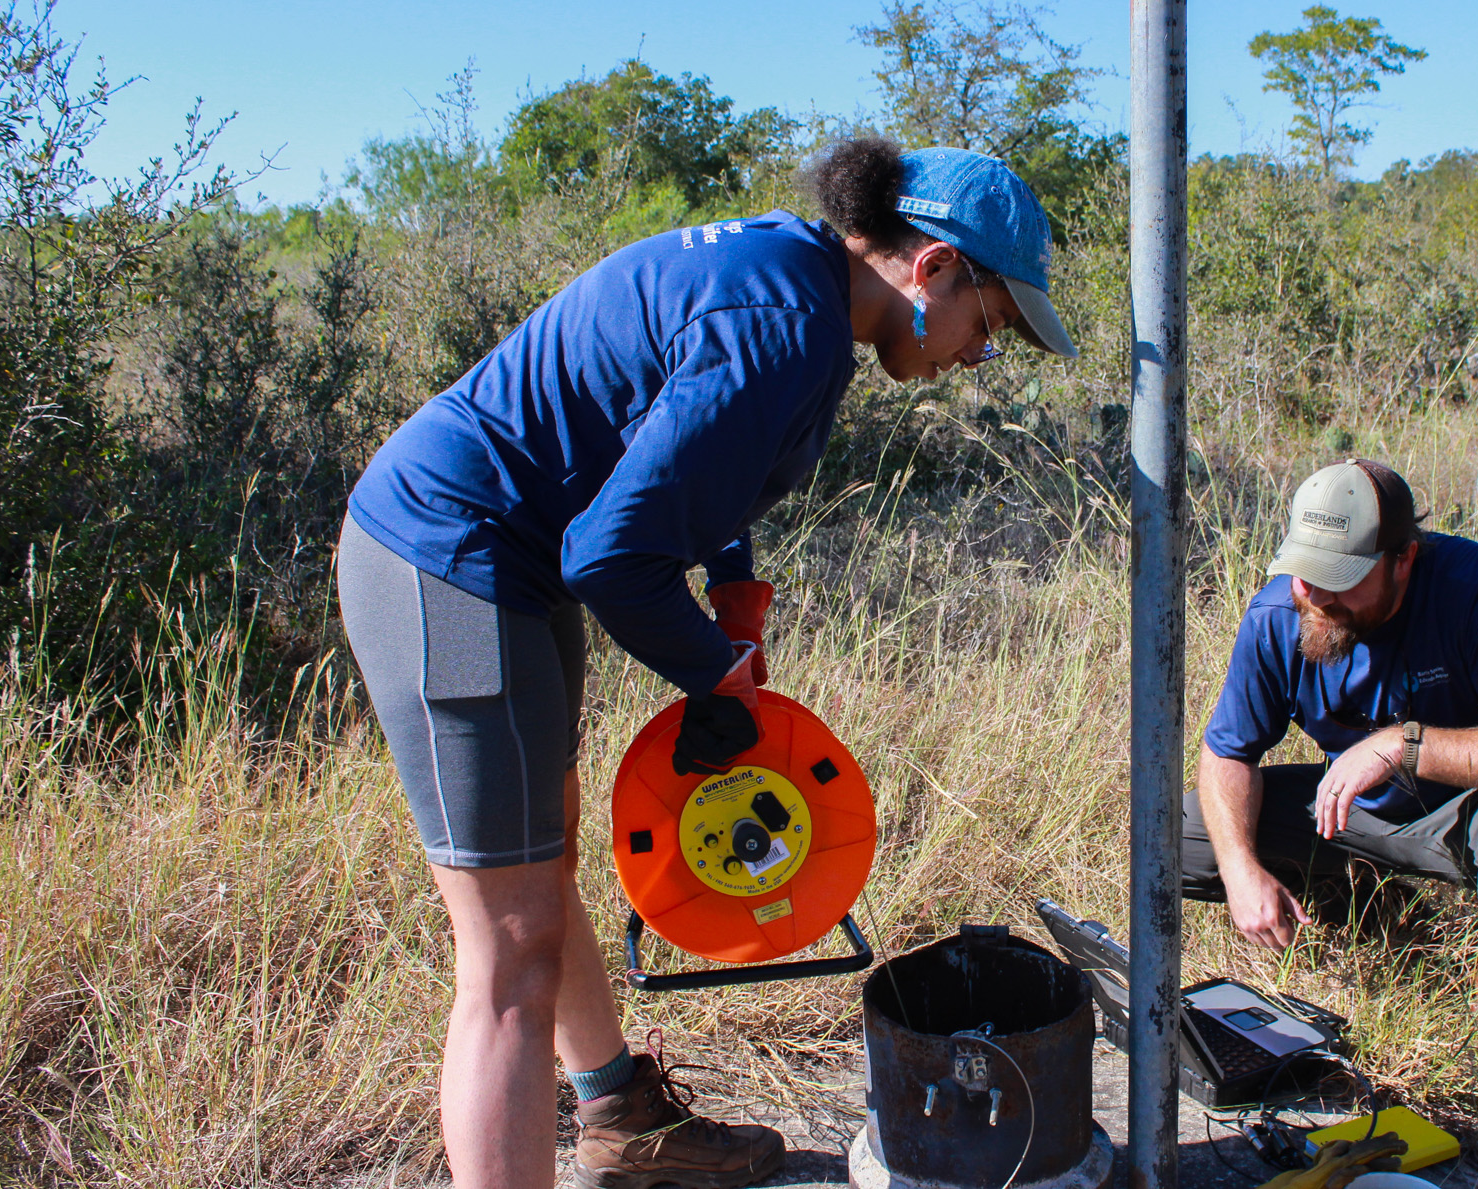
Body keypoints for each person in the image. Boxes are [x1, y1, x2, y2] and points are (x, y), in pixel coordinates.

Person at [336, 137, 1076, 1189]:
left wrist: (731, 596)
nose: (976, 355)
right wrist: (712, 672)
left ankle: (620, 1124)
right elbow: (611, 555)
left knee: (542, 877)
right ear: (935, 268)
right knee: (509, 951)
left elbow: (686, 457)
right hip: (443, 568)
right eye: (988, 323)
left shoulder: (801, 284)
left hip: (512, 567)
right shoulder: (786, 327)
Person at [1182, 458, 1478, 1048]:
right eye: (1303, 571)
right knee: (1180, 833)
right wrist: (1242, 871)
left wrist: (1404, 746)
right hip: (1349, 816)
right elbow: (1228, 753)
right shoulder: (1279, 614)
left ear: (1403, 560)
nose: (1315, 595)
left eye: (1339, 576)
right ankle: (1365, 906)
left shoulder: (1476, 589)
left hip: (1468, 812)